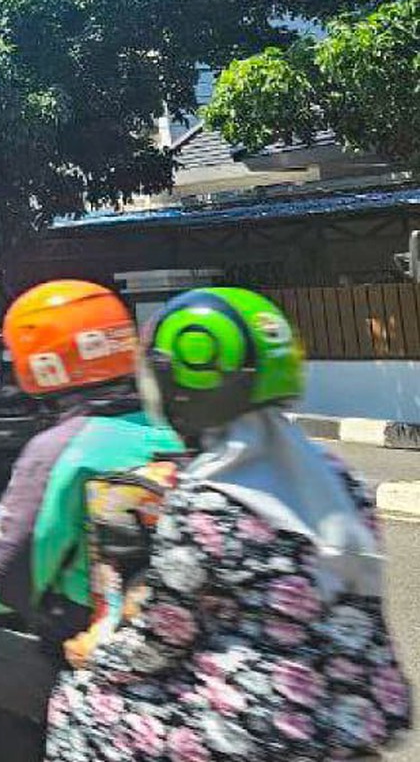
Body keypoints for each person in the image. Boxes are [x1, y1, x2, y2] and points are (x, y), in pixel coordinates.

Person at [47, 288, 412, 762]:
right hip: (364, 713)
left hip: (264, 731)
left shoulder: (208, 499)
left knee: (77, 703)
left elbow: (162, 636)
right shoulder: (340, 478)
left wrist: (92, 656)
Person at [0, 280, 186, 762]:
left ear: (37, 363)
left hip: (89, 664)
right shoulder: (173, 430)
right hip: (175, 660)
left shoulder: (60, 451)